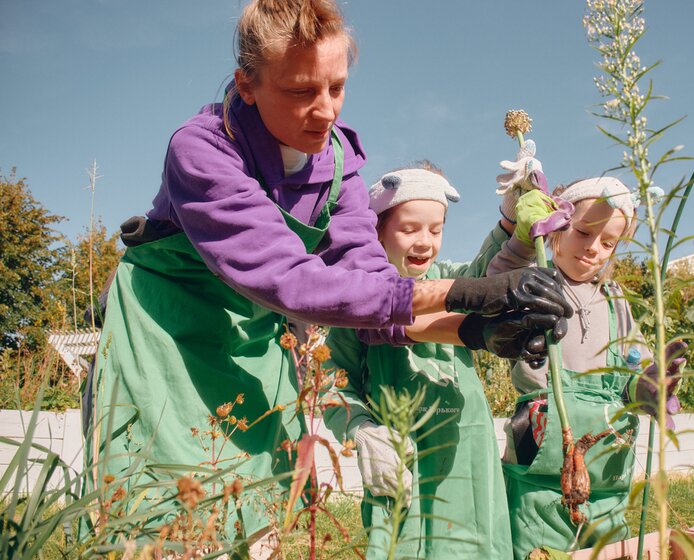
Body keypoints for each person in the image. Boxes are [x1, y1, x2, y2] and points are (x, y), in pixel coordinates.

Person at [82, 0, 571, 542]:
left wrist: (475, 330)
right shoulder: (202, 151)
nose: (326, 110)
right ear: (247, 84)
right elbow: (293, 281)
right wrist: (467, 292)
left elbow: (374, 299)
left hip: (251, 338)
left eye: (336, 88)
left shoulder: (339, 166)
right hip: (165, 334)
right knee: (163, 510)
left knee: (254, 509)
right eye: (300, 91)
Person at [324, 162, 523, 558]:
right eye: (409, 229)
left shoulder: (449, 277)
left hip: (463, 445)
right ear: (377, 230)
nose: (425, 242)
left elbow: (487, 278)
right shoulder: (358, 299)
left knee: (473, 542)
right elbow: (332, 381)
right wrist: (362, 430)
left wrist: (513, 221)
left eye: (436, 229)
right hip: (400, 452)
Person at [487, 177, 687, 557]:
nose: (593, 248)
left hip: (608, 464)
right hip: (539, 462)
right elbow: (493, 282)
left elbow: (634, 369)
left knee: (610, 546)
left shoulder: (615, 300)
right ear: (558, 226)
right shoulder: (534, 281)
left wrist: (647, 388)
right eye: (582, 232)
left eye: (608, 242)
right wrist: (524, 234)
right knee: (536, 541)